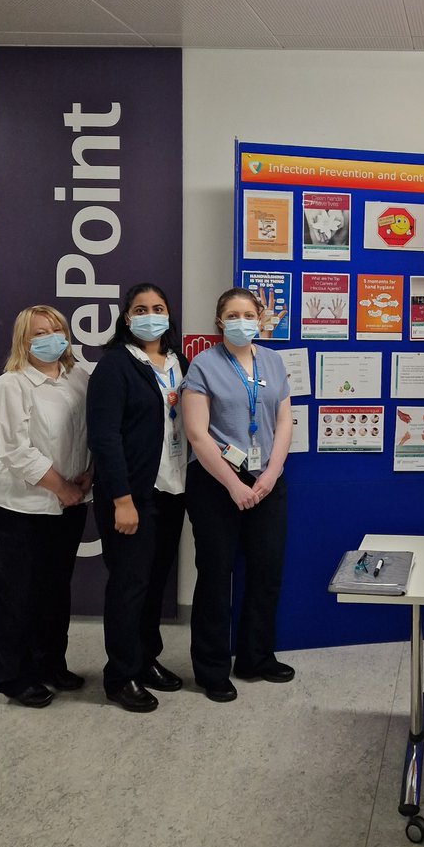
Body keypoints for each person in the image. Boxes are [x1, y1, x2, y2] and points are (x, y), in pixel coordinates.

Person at [182, 287, 293, 702]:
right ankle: (212, 669)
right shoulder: (203, 364)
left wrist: (270, 476)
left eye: (249, 314)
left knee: (266, 572)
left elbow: (284, 421)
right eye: (233, 314)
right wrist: (234, 484)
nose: (242, 321)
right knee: (215, 576)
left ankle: (255, 657)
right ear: (219, 322)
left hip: (267, 481)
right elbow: (196, 432)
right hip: (215, 484)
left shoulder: (273, 361)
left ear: (259, 319)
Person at [86, 284, 188, 713]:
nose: (151, 315)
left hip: (172, 490)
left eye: (159, 308)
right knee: (129, 585)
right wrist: (122, 499)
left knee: (153, 583)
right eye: (141, 309)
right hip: (131, 495)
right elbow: (105, 438)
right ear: (127, 318)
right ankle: (120, 674)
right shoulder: (114, 367)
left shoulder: (178, 362)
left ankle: (147, 660)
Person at [0, 306, 91, 707]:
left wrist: (88, 475)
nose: (50, 337)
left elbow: (87, 433)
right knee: (17, 594)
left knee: (54, 591)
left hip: (70, 501)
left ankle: (51, 663)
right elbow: (14, 450)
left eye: (56, 330)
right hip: (21, 505)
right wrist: (60, 487)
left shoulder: (78, 378)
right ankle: (14, 677)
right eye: (39, 333)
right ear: (23, 340)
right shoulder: (10, 385)